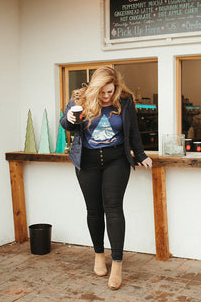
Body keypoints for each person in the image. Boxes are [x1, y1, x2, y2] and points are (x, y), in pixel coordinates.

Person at [60, 66, 152, 290]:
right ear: (94, 88)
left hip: (116, 160)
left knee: (113, 208)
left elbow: (133, 132)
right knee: (94, 210)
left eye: (110, 91)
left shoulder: (126, 100)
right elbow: (66, 124)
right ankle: (99, 255)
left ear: (116, 87)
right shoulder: (79, 99)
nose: (107, 96)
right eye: (102, 92)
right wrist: (70, 118)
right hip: (87, 162)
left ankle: (118, 264)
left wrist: (140, 155)